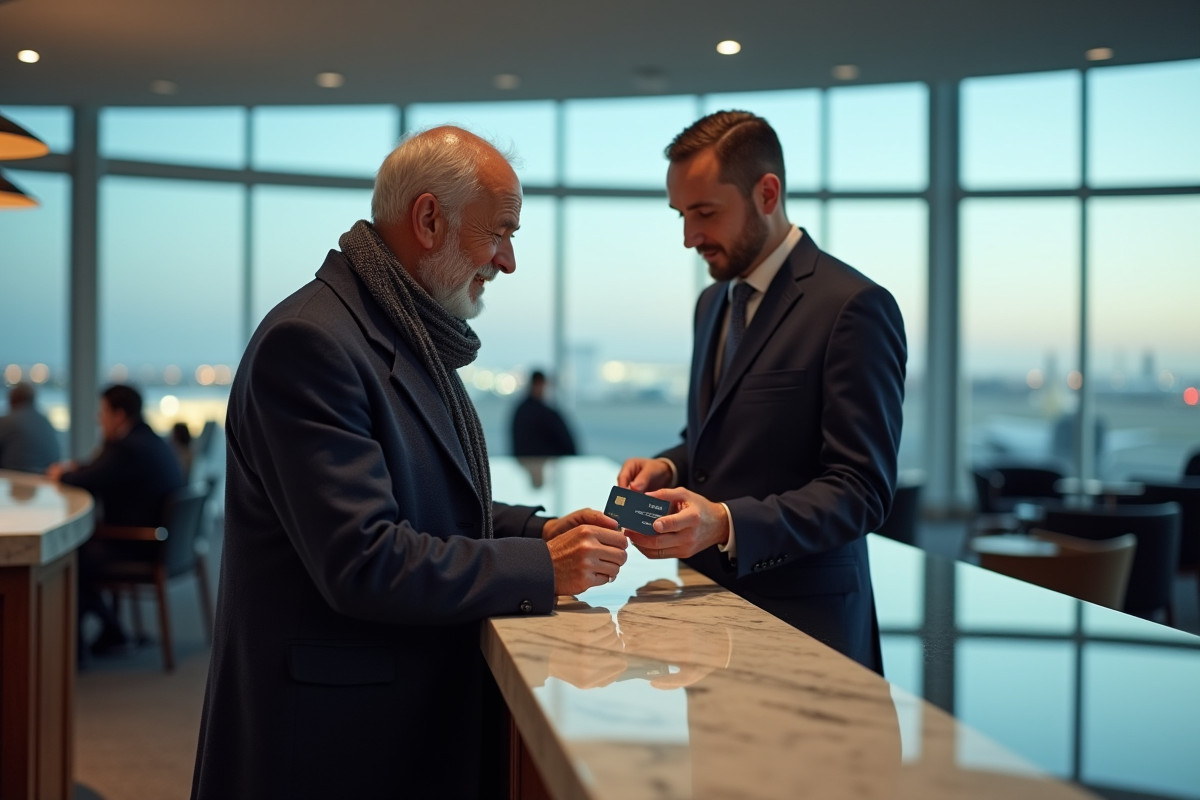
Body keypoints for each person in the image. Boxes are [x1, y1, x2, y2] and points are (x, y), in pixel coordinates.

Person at [191, 127, 628, 800]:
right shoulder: (310, 343)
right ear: (428, 219)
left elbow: (430, 500)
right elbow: (363, 559)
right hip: (334, 741)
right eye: (501, 233)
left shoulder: (397, 327)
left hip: (384, 717)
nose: (507, 261)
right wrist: (545, 568)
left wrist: (539, 533)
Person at [617, 111, 906, 672]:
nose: (688, 238)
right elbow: (717, 439)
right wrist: (669, 469)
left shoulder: (853, 306)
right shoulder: (713, 304)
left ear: (767, 193)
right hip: (704, 621)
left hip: (809, 634)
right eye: (681, 215)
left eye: (704, 213)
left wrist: (724, 523)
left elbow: (862, 490)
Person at [48, 384, 185, 652]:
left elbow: (86, 480)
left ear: (118, 415)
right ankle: (111, 630)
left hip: (137, 545)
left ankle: (79, 647)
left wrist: (61, 475)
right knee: (80, 552)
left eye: (102, 413)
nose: (99, 420)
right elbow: (101, 470)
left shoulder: (126, 448)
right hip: (163, 543)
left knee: (67, 558)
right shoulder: (151, 440)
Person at [511, 370, 578, 457]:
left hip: (525, 464)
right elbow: (567, 444)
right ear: (540, 384)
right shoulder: (546, 413)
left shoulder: (520, 411)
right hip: (544, 462)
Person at [0, 382, 61, 473]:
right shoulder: (45, 421)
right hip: (47, 477)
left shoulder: (8, 421)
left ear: (12, 399)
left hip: (17, 477)